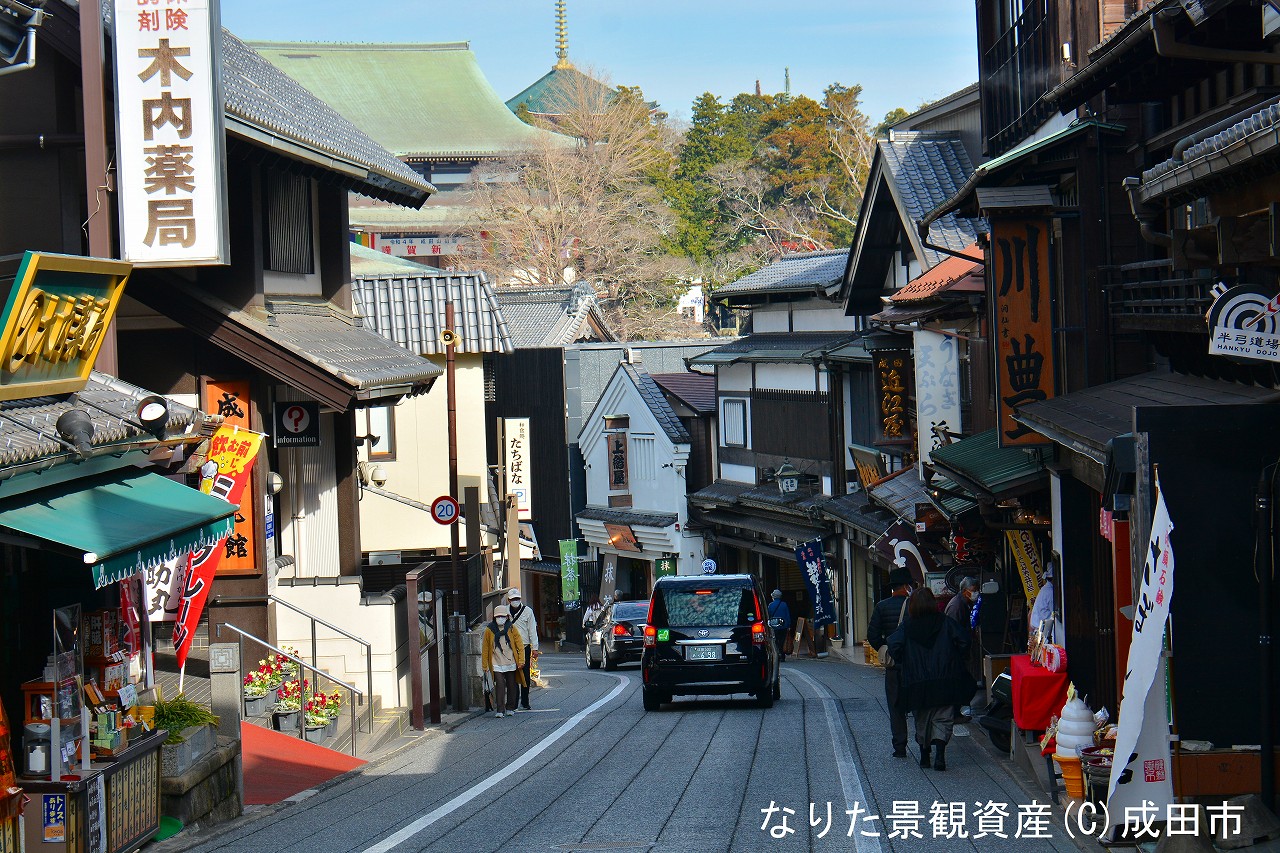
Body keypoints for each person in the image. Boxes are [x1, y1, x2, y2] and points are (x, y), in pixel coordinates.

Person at [888, 587, 973, 771]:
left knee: (922, 718)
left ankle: (924, 755)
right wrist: (955, 656)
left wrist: (904, 660)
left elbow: (893, 645)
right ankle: (940, 755)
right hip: (945, 678)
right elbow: (964, 641)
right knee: (943, 717)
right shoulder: (946, 623)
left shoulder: (907, 626)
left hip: (917, 681)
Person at [867, 567, 914, 758]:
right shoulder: (915, 605)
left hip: (894, 666)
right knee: (918, 703)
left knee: (895, 706)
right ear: (906, 586)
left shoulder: (882, 606)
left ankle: (900, 746)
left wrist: (886, 647)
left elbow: (872, 635)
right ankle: (923, 744)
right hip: (914, 664)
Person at [944, 577, 982, 719]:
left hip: (959, 653)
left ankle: (956, 712)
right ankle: (954, 713)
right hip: (956, 654)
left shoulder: (963, 603)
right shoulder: (956, 606)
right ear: (965, 591)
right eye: (973, 590)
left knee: (964, 684)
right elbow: (953, 632)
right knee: (964, 684)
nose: (976, 593)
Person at [481, 604, 525, 718]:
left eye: (502, 616)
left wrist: (521, 660)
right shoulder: (489, 630)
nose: (500, 618)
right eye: (498, 616)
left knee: (511, 684)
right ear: (494, 618)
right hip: (495, 661)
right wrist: (484, 665)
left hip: (510, 661)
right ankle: (500, 709)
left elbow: (519, 644)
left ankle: (510, 707)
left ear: (507, 617)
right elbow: (485, 647)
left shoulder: (512, 628)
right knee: (500, 684)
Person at [507, 588, 539, 711]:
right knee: (511, 674)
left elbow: (532, 630)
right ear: (509, 600)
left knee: (525, 674)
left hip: (524, 647)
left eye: (517, 598)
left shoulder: (528, 611)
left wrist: (535, 648)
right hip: (509, 647)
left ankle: (525, 701)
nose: (515, 601)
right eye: (513, 599)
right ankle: (513, 702)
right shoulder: (504, 611)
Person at [767, 590, 792, 662]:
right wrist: (788, 625)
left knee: (775, 641)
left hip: (774, 626)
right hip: (784, 625)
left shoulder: (770, 605)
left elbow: (769, 616)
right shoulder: (784, 604)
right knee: (782, 640)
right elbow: (787, 616)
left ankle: (777, 655)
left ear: (773, 597)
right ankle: (782, 655)